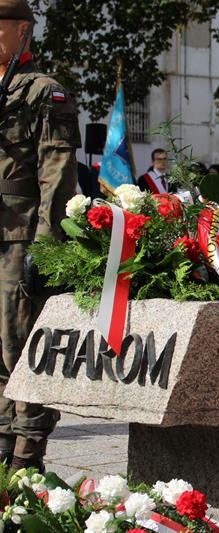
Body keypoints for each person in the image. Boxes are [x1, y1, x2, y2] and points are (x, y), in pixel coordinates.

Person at [0, 0, 81, 472]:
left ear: (23, 31)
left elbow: (58, 173)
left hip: (21, 237)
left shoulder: (44, 92)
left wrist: (47, 245)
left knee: (21, 349)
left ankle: (27, 459)